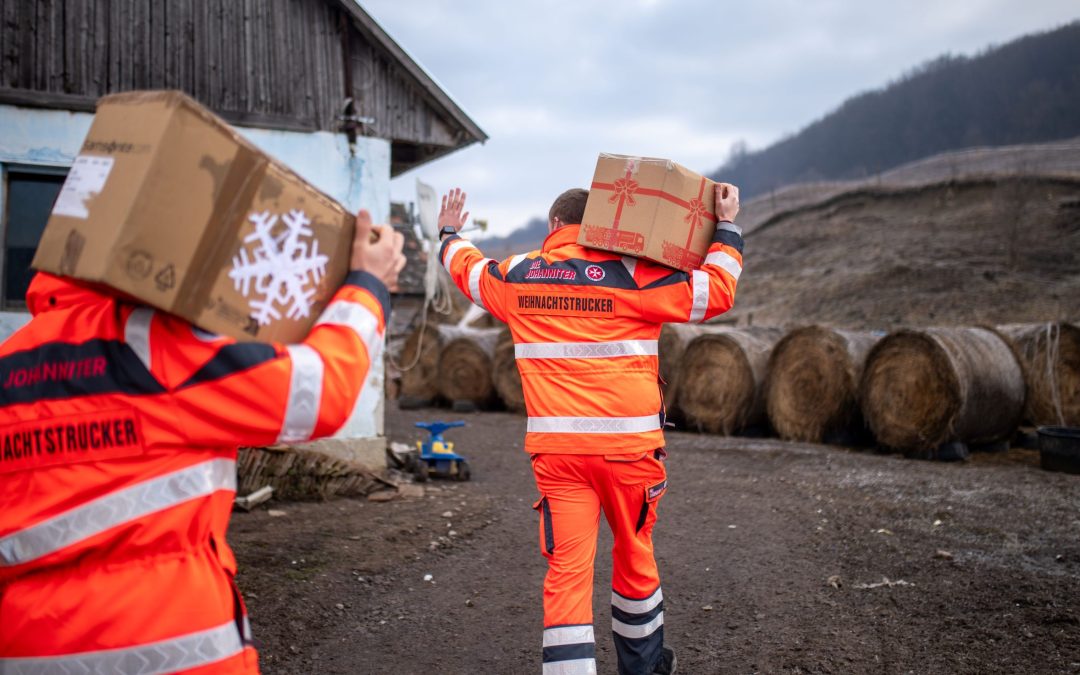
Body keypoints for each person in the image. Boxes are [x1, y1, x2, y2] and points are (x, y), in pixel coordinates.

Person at [0, 210, 405, 674]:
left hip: (28, 649)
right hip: (174, 648)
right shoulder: (155, 343)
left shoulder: (9, 361)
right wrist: (368, 285)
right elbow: (320, 392)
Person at [437, 183, 743, 674]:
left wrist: (449, 233)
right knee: (634, 554)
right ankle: (642, 668)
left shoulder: (518, 274)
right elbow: (716, 292)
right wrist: (726, 227)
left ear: (554, 227)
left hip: (558, 457)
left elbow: (468, 271)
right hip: (629, 453)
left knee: (567, 574)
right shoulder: (633, 273)